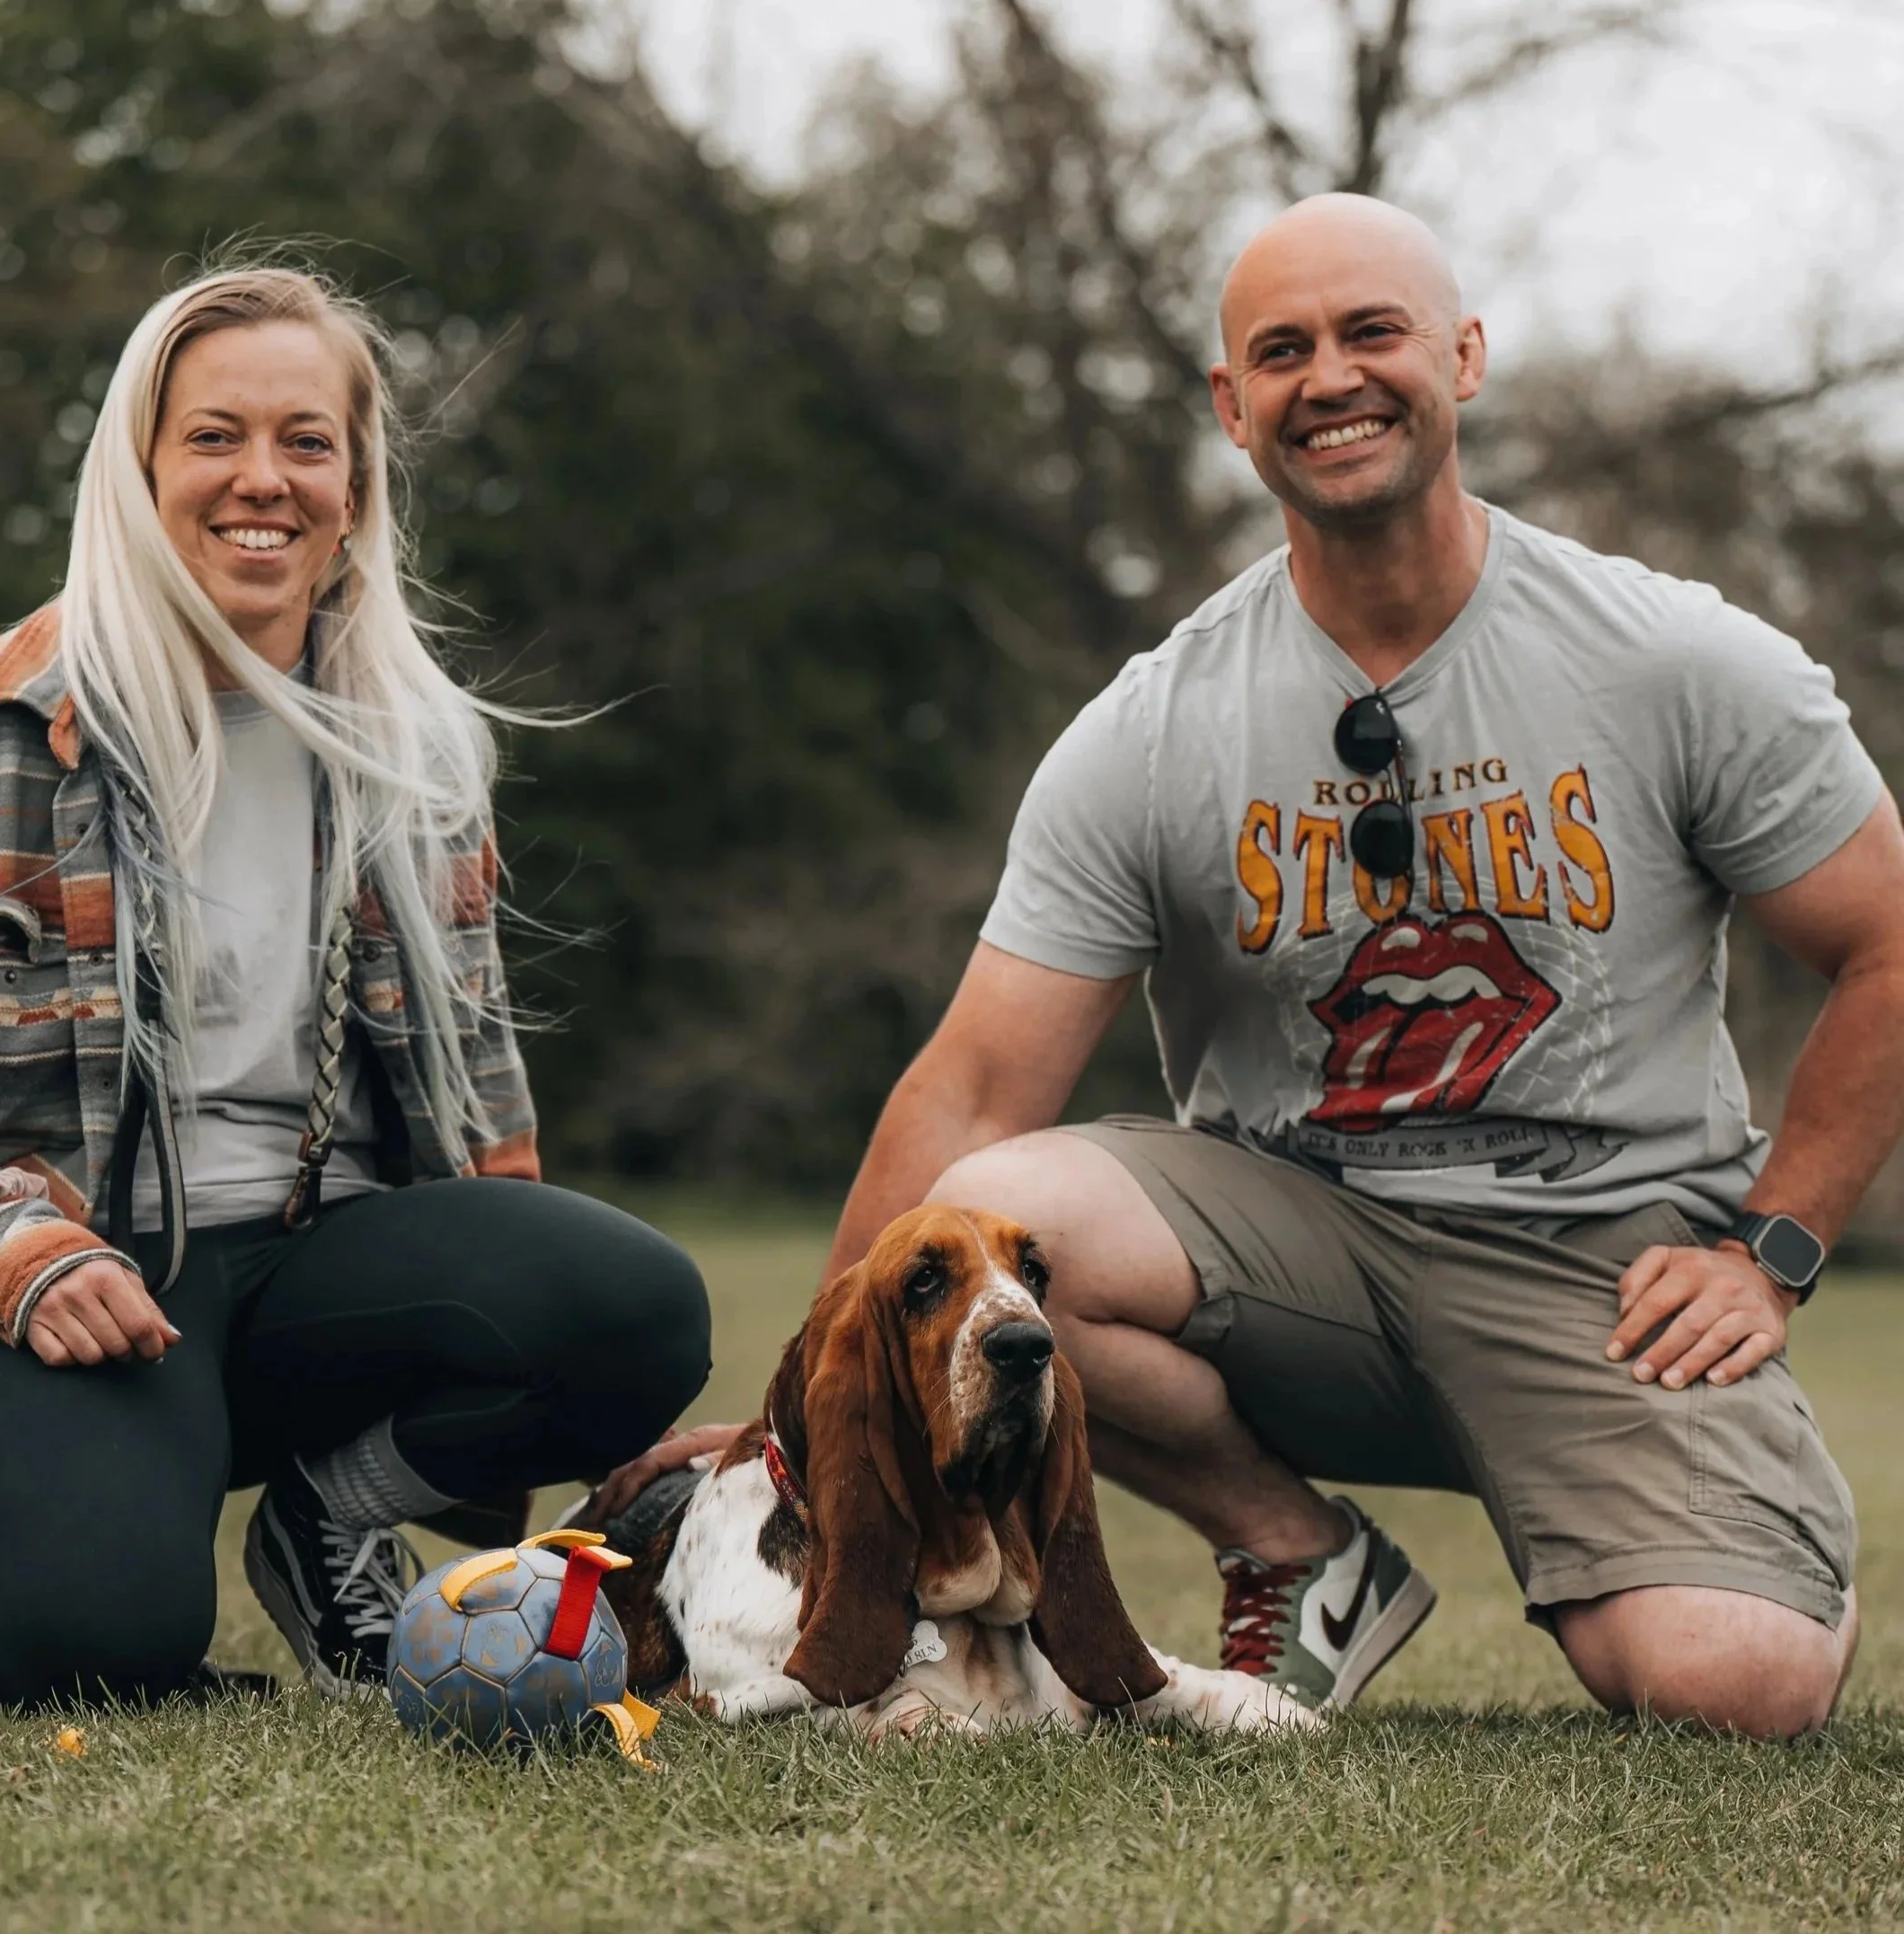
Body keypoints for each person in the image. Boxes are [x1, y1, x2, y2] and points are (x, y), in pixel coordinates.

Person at [614, 195, 1904, 1736]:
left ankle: (1667, 1533)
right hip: (1297, 1247)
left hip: (1601, 1268)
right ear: (1234, 408)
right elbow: (971, 1089)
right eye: (1281, 352)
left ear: (1465, 358)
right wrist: (794, 1416)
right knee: (1008, 1221)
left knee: (1737, 1690)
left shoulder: (1677, 662)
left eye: (1374, 333)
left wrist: (1773, 1247)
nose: (1332, 378)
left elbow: (1886, 943)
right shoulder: (1158, 725)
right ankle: (1302, 1553)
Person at [0, 266, 710, 1707]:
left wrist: (550, 1389)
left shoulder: (421, 759)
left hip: (320, 1273)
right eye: (214, 436)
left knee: (640, 1306)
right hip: (81, 1292)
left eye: (306, 441)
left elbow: (479, 1092)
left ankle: (328, 1514)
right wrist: (15, 1251)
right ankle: (33, 1558)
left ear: (356, 485)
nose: (260, 479)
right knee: (93, 1653)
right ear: (138, 472)